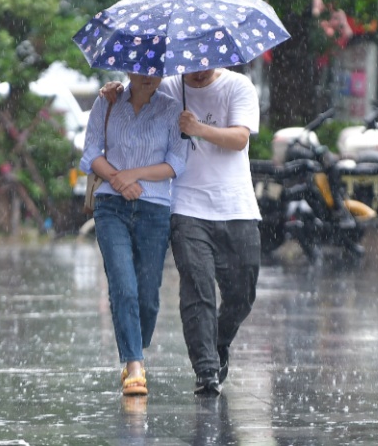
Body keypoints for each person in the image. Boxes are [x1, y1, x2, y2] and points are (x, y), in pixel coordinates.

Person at [103, 68, 262, 396]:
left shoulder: (238, 86)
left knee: (242, 293)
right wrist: (116, 91)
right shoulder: (167, 88)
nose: (199, 73)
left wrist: (198, 128)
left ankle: (219, 341)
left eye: (206, 66)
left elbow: (239, 139)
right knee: (198, 288)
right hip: (185, 204)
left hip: (237, 205)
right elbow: (136, 100)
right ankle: (206, 369)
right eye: (192, 67)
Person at [80, 72, 189, 397]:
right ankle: (134, 365)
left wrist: (133, 175)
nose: (149, 78)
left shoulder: (171, 109)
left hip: (154, 210)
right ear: (128, 70)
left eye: (156, 71)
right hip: (111, 207)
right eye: (142, 71)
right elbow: (90, 153)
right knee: (123, 286)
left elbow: (175, 163)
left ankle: (133, 348)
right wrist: (117, 180)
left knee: (148, 297)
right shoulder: (107, 101)